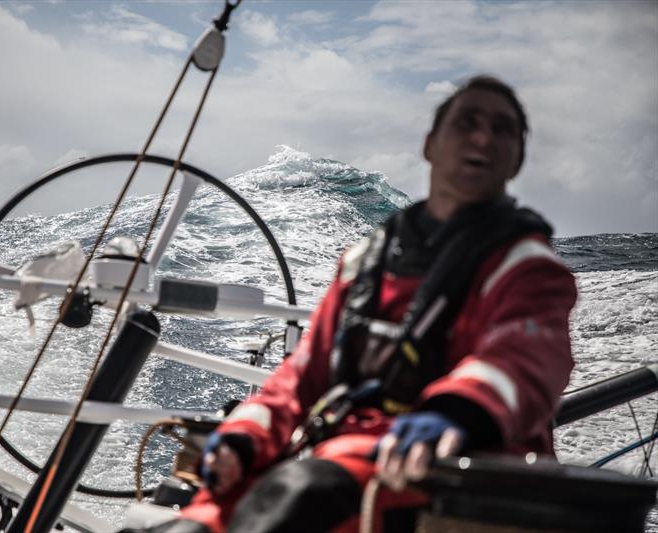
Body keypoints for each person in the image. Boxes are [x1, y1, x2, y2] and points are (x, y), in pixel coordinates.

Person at [139, 75, 577, 533]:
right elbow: (302, 377)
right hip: (340, 456)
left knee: (296, 501)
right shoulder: (366, 261)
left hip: (456, 476)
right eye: (467, 122)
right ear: (430, 145)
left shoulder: (528, 268)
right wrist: (244, 438)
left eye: (503, 129)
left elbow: (522, 360)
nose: (483, 137)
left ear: (517, 158)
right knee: (201, 514)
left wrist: (456, 411)